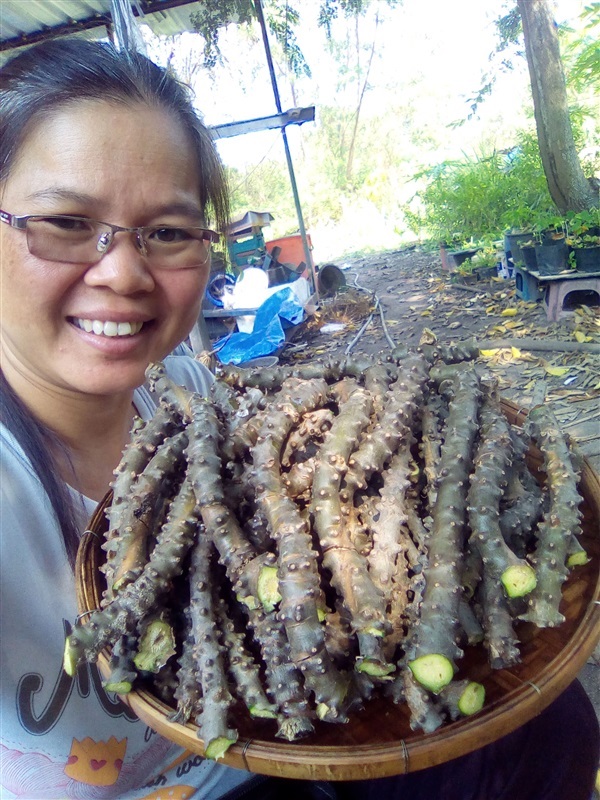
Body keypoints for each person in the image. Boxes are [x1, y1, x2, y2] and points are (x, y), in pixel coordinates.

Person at [0, 38, 597, 800]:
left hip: (289, 750)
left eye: (169, 232)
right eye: (65, 220)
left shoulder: (186, 391)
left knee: (553, 729)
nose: (121, 271)